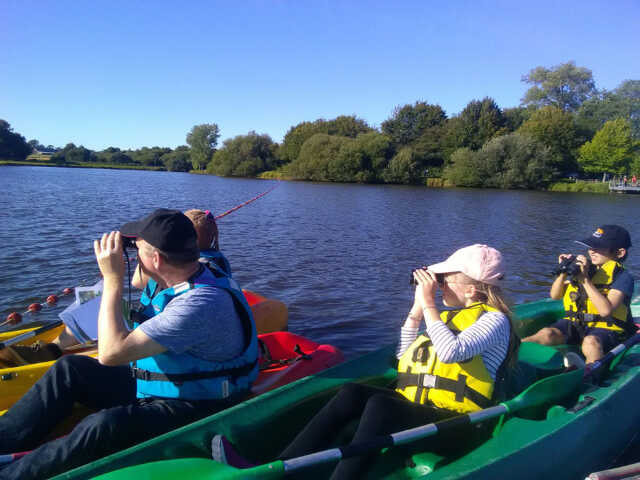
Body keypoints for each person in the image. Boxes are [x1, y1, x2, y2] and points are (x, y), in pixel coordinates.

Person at [212, 244, 518, 479]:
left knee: (383, 406)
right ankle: (280, 468)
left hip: (460, 425)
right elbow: (404, 360)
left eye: (444, 280)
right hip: (425, 413)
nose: (437, 286)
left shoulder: (495, 321)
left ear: (472, 288)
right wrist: (416, 310)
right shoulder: (449, 319)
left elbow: (452, 353)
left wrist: (428, 305)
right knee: (353, 393)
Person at [0, 209, 258, 479]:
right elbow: (138, 279)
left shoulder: (199, 304)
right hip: (166, 381)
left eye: (138, 251)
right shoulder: (188, 267)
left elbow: (111, 354)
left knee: (103, 425)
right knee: (70, 369)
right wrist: (134, 249)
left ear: (156, 259)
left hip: (197, 402)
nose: (134, 255)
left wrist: (112, 278)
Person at [0, 208, 235, 368]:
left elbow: (136, 283)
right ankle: (54, 347)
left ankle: (50, 351)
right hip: (159, 322)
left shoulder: (200, 267)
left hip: (164, 333)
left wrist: (121, 268)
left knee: (99, 300)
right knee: (95, 297)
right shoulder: (208, 261)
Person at [523, 225, 634, 364]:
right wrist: (563, 272)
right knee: (547, 333)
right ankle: (509, 352)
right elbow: (555, 295)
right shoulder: (585, 268)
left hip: (608, 328)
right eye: (590, 247)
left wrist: (585, 280)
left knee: (591, 342)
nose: (592, 251)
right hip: (577, 323)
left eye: (599, 248)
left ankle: (590, 380)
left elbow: (606, 311)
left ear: (620, 253)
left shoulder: (623, 277)